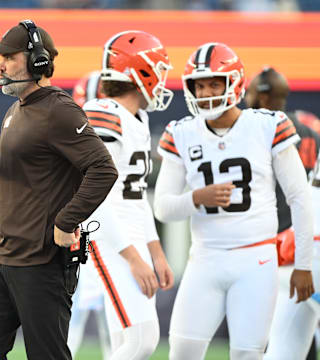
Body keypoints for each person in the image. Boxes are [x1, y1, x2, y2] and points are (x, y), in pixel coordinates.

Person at [0, 20, 118, 360]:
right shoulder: (15, 110)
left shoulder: (59, 109)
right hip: (3, 258)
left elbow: (103, 169)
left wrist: (66, 222)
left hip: (42, 262)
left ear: (38, 61)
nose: (0, 65)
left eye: (9, 56)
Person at [154, 42, 314, 360]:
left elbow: (299, 197)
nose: (206, 91)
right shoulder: (181, 132)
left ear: (235, 83)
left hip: (256, 259)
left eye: (215, 82)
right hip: (204, 258)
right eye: (199, 85)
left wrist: (303, 265)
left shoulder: (268, 125)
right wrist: (196, 198)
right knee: (182, 352)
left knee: (247, 353)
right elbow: (163, 207)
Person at [82, 30, 174, 360]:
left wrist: (156, 252)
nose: (162, 80)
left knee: (126, 341)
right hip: (107, 234)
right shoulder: (103, 111)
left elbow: (137, 198)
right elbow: (95, 195)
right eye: (159, 71)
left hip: (131, 234)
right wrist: (133, 257)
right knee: (142, 340)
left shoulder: (138, 117)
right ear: (141, 72)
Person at [245, 68, 320, 360]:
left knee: (266, 337)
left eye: (250, 92)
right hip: (301, 239)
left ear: (263, 94)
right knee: (293, 339)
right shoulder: (310, 133)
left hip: (276, 244)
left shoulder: (256, 129)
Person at [67, 71, 111, 360]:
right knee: (66, 326)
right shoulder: (66, 142)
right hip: (79, 241)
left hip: (111, 244)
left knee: (118, 334)